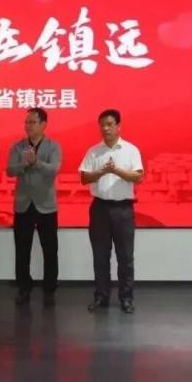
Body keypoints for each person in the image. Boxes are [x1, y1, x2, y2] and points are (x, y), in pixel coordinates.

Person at [79, 109, 144, 314]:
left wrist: (116, 170)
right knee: (100, 256)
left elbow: (138, 176)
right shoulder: (93, 152)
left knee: (125, 257)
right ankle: (101, 297)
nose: (105, 128)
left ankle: (126, 299)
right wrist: (102, 171)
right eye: (102, 125)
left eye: (109, 124)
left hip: (123, 209)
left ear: (118, 126)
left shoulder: (131, 150)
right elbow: (84, 178)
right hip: (100, 209)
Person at [6, 108, 62, 306]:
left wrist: (36, 162)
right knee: (22, 250)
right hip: (23, 205)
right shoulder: (18, 146)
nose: (28, 126)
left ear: (43, 124)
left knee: (50, 250)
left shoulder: (53, 146)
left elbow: (54, 169)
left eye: (32, 122)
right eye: (27, 122)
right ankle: (23, 287)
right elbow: (9, 170)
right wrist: (24, 164)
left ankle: (50, 289)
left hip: (46, 205)